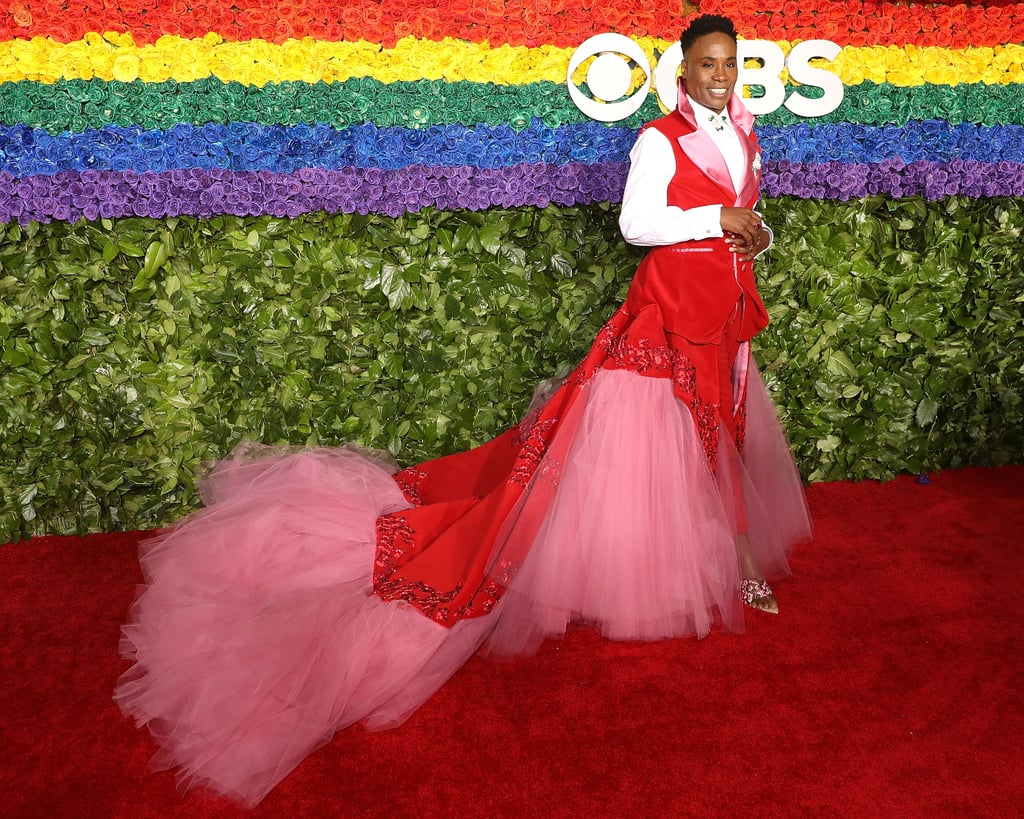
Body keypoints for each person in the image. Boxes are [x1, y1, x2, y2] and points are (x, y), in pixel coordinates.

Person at [115, 14, 811, 808]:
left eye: (731, 64)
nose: (722, 75)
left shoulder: (749, 134)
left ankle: (735, 550)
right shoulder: (657, 139)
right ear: (683, 72)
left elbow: (744, 209)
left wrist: (753, 233)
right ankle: (660, 567)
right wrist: (711, 220)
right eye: (709, 65)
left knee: (719, 429)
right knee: (647, 448)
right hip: (663, 319)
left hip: (725, 313)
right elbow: (635, 222)